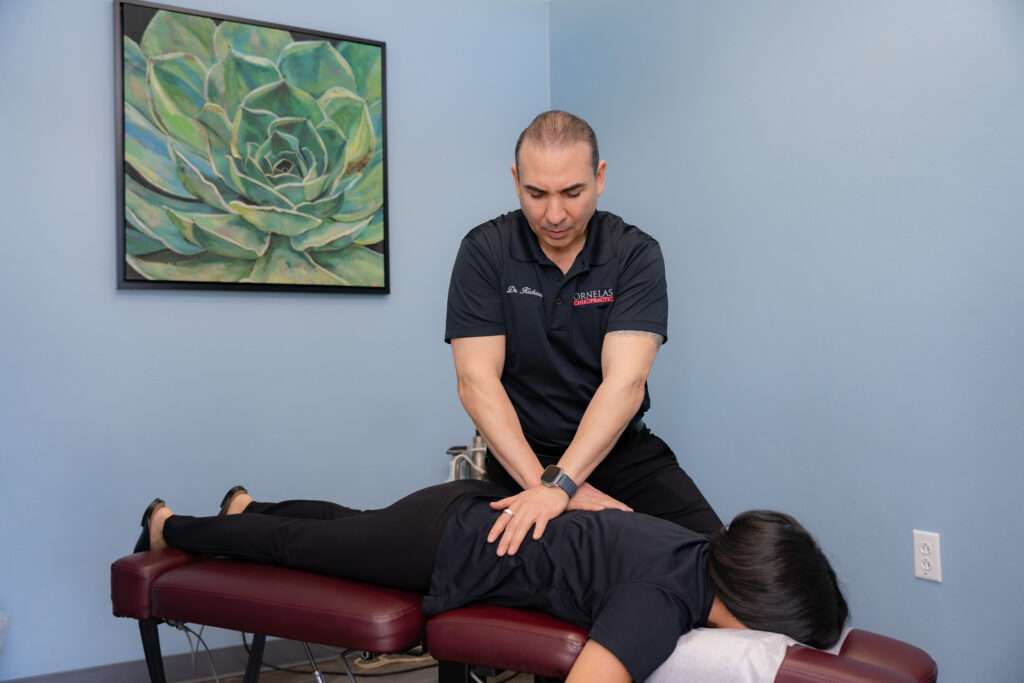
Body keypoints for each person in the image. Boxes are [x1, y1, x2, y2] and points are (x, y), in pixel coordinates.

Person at [136, 480, 849, 683]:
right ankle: (174, 525)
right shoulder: (661, 604)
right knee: (302, 547)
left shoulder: (696, 545)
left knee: (341, 530)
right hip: (444, 543)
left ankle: (246, 509)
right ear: (752, 610)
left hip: (466, 514)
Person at [446, 110, 720, 556]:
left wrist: (563, 484)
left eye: (573, 192)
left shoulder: (634, 255)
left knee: (718, 564)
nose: (555, 214)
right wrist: (547, 486)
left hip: (618, 451)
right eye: (536, 193)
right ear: (516, 180)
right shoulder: (485, 252)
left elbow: (625, 383)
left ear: (600, 176)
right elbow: (476, 382)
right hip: (520, 459)